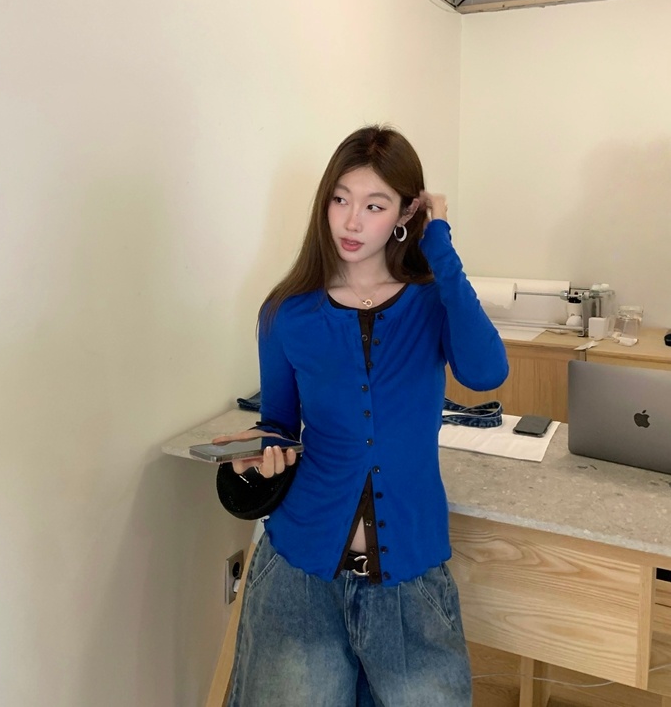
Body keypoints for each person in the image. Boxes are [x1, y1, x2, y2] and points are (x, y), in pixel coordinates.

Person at [214, 124, 508, 707]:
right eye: (340, 200)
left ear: (406, 213)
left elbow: (486, 372)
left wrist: (440, 243)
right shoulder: (286, 313)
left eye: (374, 206)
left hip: (410, 578)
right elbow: (279, 423)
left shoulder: (432, 301)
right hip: (299, 574)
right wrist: (259, 450)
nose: (351, 222)